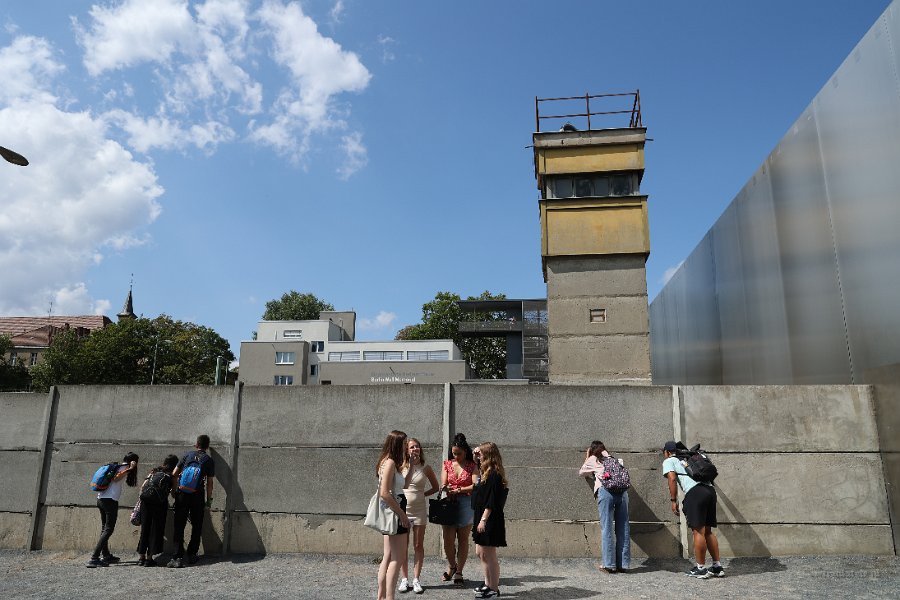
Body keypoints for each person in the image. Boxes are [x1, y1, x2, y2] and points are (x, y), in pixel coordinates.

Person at [662, 441, 725, 579]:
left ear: (666, 452)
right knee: (708, 531)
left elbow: (672, 478)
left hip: (695, 493)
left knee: (698, 531)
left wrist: (674, 500)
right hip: (710, 491)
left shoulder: (670, 460)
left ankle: (701, 568)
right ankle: (717, 566)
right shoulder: (688, 458)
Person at [579, 440, 630, 573]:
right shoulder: (615, 459)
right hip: (623, 494)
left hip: (606, 492)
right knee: (623, 527)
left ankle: (609, 565)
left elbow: (582, 472)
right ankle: (623, 564)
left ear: (592, 450)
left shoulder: (593, 460)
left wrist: (588, 456)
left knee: (607, 528)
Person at [376, 430, 415, 600]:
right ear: (397, 444)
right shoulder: (390, 462)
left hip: (394, 509)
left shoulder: (388, 461)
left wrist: (412, 464)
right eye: (405, 443)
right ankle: (389, 597)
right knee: (397, 559)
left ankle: (381, 596)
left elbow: (404, 484)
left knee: (389, 556)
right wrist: (402, 515)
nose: (407, 446)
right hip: (396, 509)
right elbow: (385, 492)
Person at [398, 437, 439, 594]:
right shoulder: (401, 466)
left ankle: (416, 579)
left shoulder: (426, 468)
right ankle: (404, 579)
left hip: (420, 510)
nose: (415, 449)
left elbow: (436, 487)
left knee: (418, 545)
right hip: (404, 510)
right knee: (403, 546)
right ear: (406, 450)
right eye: (412, 447)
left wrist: (422, 495)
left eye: (417, 447)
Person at [168, 434, 215, 568]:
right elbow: (210, 483)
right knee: (197, 524)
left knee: (179, 525)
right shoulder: (208, 460)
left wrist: (173, 490)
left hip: (182, 494)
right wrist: (209, 501)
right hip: (197, 495)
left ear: (196, 444)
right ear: (207, 446)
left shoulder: (187, 455)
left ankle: (176, 557)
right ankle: (192, 554)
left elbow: (174, 474)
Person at [86, 452, 139, 568]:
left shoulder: (118, 466)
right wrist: (130, 468)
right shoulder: (124, 468)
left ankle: (106, 555)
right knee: (109, 529)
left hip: (101, 499)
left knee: (105, 528)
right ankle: (94, 558)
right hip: (109, 501)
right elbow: (116, 478)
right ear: (133, 461)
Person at [472, 442, 508, 599]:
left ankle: (494, 588)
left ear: (488, 455)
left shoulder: (494, 475)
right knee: (480, 553)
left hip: (489, 518)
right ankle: (488, 584)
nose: (478, 456)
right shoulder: (485, 472)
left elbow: (492, 501)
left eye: (480, 454)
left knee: (490, 555)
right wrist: (475, 458)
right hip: (481, 515)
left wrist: (483, 520)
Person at [440, 433, 477, 585]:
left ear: (465, 451)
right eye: (454, 453)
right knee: (448, 540)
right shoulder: (447, 464)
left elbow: (476, 485)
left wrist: (460, 490)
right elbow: (443, 483)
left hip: (466, 503)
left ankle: (459, 572)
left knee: (463, 539)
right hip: (449, 503)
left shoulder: (472, 466)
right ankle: (451, 566)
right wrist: (445, 487)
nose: (456, 456)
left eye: (459, 453)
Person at [137, 454, 178, 567]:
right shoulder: (172, 476)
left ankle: (141, 558)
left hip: (146, 501)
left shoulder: (155, 471)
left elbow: (143, 487)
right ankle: (149, 559)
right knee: (155, 530)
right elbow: (174, 494)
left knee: (145, 528)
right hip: (159, 504)